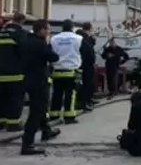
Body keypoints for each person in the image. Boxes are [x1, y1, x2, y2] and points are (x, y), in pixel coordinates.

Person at [21, 20, 62, 155]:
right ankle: (27, 144)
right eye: (48, 29)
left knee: (42, 108)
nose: (49, 32)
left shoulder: (27, 41)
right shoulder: (39, 44)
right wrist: (48, 44)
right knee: (37, 111)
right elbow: (54, 57)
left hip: (29, 79)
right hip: (39, 82)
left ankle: (46, 130)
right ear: (41, 30)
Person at [49, 19, 83, 124]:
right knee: (70, 94)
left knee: (56, 94)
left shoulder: (54, 39)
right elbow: (87, 53)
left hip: (57, 71)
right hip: (71, 71)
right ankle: (69, 116)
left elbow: (49, 53)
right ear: (72, 28)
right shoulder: (78, 38)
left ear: (62, 28)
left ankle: (54, 114)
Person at [0, 12, 28, 132]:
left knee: (1, 100)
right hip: (15, 75)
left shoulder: (1, 32)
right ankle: (13, 124)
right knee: (15, 100)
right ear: (22, 21)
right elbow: (25, 52)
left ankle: (1, 123)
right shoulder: (21, 34)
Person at [76, 22, 97, 111]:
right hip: (85, 65)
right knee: (85, 84)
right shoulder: (84, 38)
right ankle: (84, 102)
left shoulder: (86, 38)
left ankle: (87, 100)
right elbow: (88, 51)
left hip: (85, 64)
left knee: (88, 84)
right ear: (89, 28)